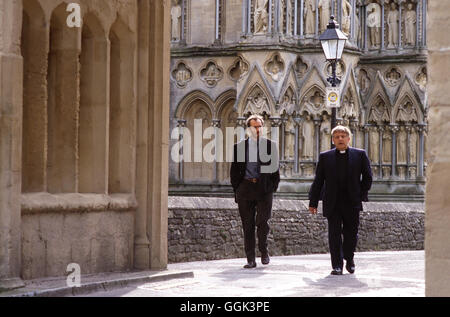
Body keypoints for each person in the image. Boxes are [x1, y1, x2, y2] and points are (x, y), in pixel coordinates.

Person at [308, 126, 372, 275]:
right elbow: (318, 181)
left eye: (343, 136)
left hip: (352, 202)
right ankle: (337, 265)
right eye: (337, 136)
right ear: (333, 140)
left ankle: (349, 259)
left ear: (349, 138)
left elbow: (368, 178)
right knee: (334, 235)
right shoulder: (325, 157)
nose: (340, 139)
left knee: (351, 234)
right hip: (333, 202)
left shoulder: (360, 155)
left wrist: (360, 194)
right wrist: (313, 202)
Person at [230, 114, 280, 269]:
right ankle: (250, 259)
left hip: (264, 189)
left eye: (259, 126)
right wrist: (237, 189)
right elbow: (234, 171)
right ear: (248, 129)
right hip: (245, 189)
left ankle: (264, 250)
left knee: (263, 222)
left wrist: (272, 187)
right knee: (248, 225)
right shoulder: (239, 147)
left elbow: (275, 171)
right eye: (254, 127)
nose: (257, 129)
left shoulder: (270, 146)